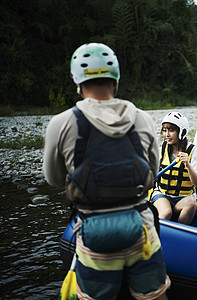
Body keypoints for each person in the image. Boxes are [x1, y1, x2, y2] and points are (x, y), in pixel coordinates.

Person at [43, 43, 170, 299]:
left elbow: (54, 178)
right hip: (141, 228)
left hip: (93, 230)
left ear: (77, 82)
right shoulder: (142, 118)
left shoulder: (61, 122)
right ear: (116, 79)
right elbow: (152, 170)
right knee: (154, 295)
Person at [151, 111, 197, 223]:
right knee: (166, 213)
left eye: (171, 130)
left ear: (182, 132)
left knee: (192, 204)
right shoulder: (161, 149)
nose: (167, 135)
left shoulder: (194, 152)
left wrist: (188, 165)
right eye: (164, 130)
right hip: (162, 194)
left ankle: (180, 234)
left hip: (183, 198)